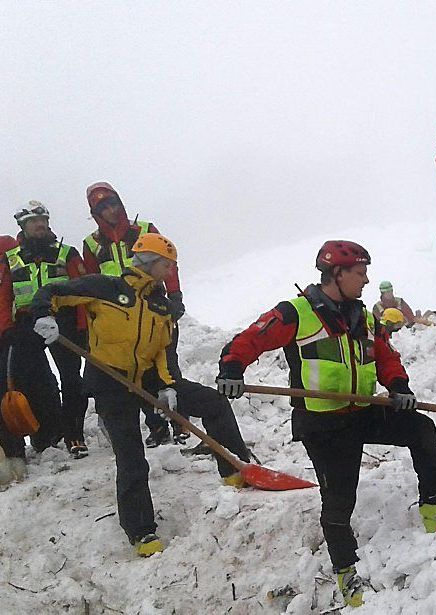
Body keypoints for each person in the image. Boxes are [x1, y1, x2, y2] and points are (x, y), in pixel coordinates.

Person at [215, 240, 436, 608]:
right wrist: (232, 367)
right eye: (360, 273)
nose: (366, 280)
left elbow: (385, 356)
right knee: (340, 499)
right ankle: (346, 569)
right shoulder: (297, 313)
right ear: (337, 274)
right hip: (322, 423)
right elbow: (252, 338)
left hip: (361, 411)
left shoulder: (365, 317)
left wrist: (398, 385)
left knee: (420, 428)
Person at [30, 233, 252, 557]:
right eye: (167, 264)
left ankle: (234, 472)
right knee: (131, 456)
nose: (171, 271)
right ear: (150, 262)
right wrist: (43, 315)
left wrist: (167, 387)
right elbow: (53, 292)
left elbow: (163, 351)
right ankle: (141, 532)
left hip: (147, 379)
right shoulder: (104, 288)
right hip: (108, 380)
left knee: (214, 403)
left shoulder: (161, 305)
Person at [82, 182, 187, 447]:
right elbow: (91, 282)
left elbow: (167, 262)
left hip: (154, 301)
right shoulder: (91, 244)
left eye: (113, 203)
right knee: (135, 368)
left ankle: (181, 423)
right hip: (119, 312)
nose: (111, 211)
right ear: (95, 213)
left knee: (167, 363)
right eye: (103, 208)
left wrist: (175, 296)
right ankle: (157, 425)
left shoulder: (144, 230)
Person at [0, 203, 88, 477]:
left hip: (63, 322)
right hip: (26, 326)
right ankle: (45, 434)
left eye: (42, 219)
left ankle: (74, 433)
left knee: (71, 378)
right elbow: (4, 296)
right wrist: (7, 328)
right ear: (23, 227)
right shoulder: (10, 259)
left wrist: (84, 326)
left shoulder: (66, 253)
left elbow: (84, 290)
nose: (39, 224)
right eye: (33, 221)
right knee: (35, 382)